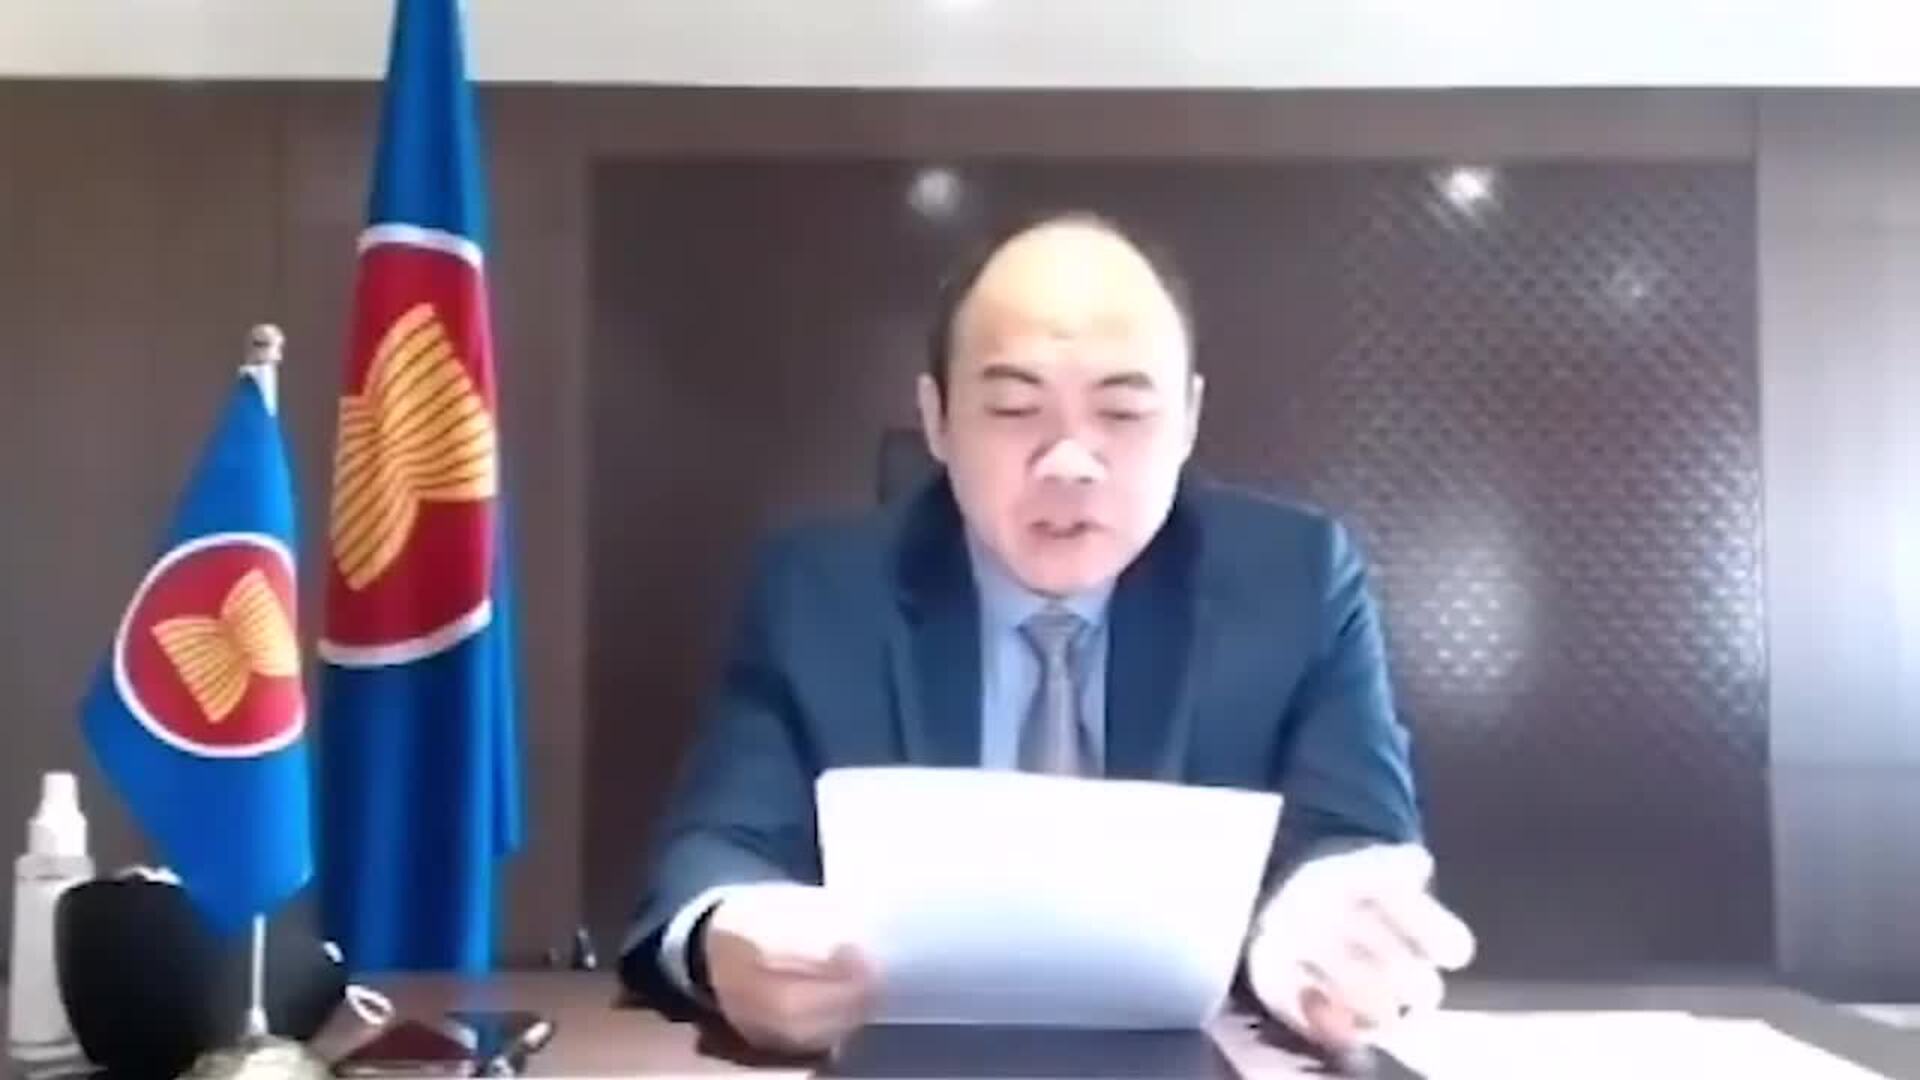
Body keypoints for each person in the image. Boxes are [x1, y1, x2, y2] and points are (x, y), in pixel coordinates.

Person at [617, 211, 1475, 1055]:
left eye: (1123, 412)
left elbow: (1352, 838)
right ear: (938, 419)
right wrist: (731, 933)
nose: (1069, 462)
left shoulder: (1299, 582)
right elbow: (717, 851)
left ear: (1187, 419)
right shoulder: (820, 593)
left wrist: (1321, 928)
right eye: (1014, 408)